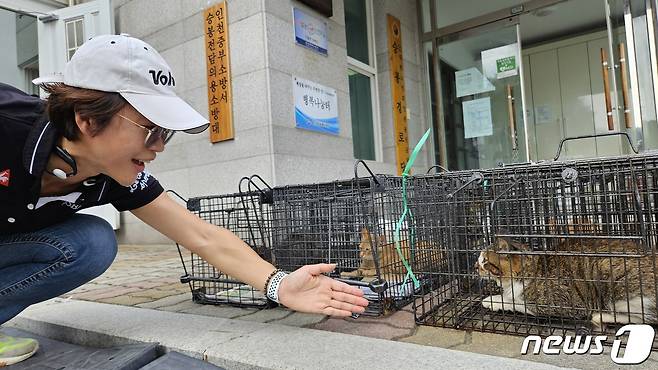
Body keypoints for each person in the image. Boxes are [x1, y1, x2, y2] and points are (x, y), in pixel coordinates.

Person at [0, 34, 368, 366]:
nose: (159, 146)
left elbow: (201, 236)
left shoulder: (113, 174)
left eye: (166, 133)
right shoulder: (7, 129)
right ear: (88, 120)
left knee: (92, 242)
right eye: (151, 130)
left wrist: (279, 284)